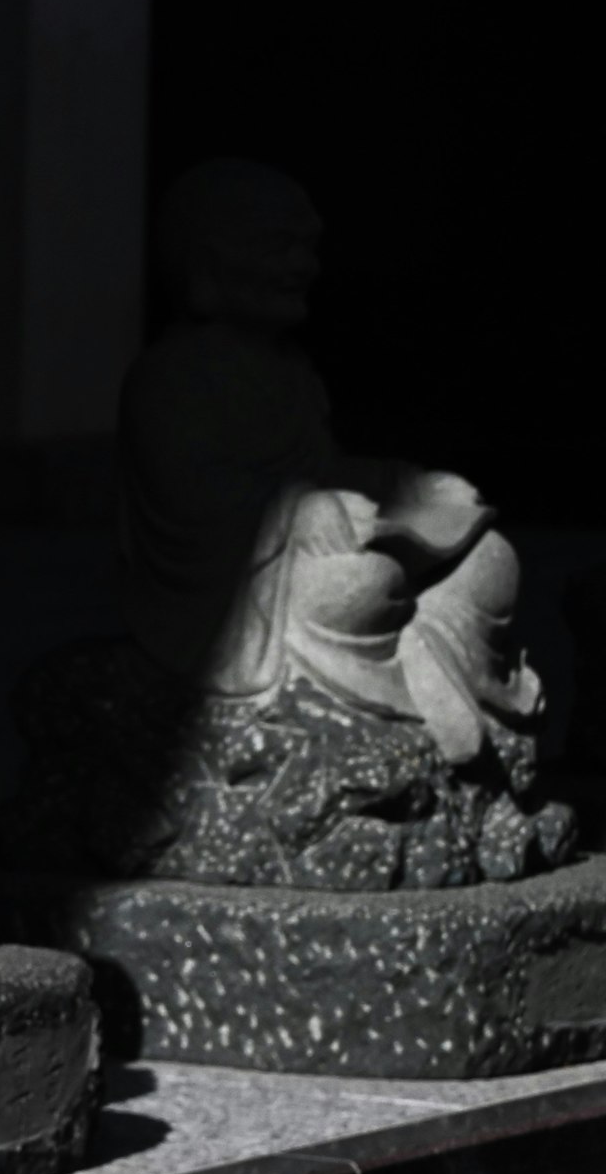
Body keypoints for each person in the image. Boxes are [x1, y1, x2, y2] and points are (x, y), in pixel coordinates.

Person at [120, 158, 537, 763]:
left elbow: (319, 465)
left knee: (492, 558)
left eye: (307, 249)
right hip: (237, 596)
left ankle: (435, 655)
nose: (303, 268)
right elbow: (188, 502)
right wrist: (293, 514)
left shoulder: (293, 375)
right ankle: (394, 687)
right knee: (361, 586)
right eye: (280, 248)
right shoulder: (169, 379)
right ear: (207, 265)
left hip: (316, 553)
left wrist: (406, 485)